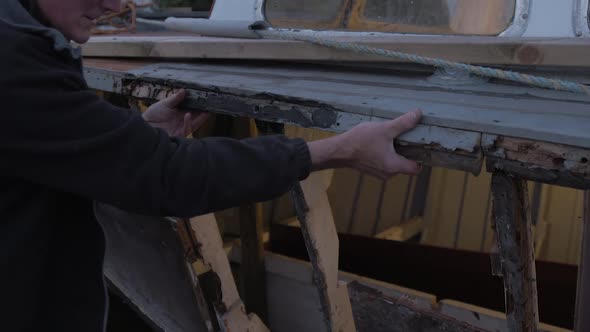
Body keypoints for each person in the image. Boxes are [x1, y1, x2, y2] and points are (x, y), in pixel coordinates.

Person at [0, 0, 422, 331]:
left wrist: (135, 135)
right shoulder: (14, 58)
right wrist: (334, 151)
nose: (113, 5)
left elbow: (47, 142)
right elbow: (170, 175)